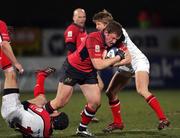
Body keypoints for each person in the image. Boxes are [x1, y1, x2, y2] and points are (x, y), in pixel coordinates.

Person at [44, 21, 129, 137]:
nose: (114, 42)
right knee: (60, 102)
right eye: (113, 38)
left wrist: (119, 57)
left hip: (88, 72)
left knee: (95, 102)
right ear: (106, 32)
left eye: (116, 39)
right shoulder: (93, 38)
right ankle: (38, 115)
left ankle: (81, 129)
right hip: (72, 68)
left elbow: (128, 57)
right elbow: (98, 65)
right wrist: (118, 57)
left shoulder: (114, 40)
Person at [92, 10, 170, 133]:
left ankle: (163, 118)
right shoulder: (105, 36)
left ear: (106, 24)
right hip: (126, 65)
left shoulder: (118, 33)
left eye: (98, 24)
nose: (96, 27)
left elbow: (125, 56)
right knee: (110, 92)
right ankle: (118, 123)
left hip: (138, 61)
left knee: (142, 90)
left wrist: (111, 63)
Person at [1, 67, 69, 137]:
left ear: (56, 118)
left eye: (57, 113)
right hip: (12, 122)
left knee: (10, 74)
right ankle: (41, 75)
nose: (55, 111)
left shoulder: (45, 116)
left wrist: (40, 106)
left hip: (12, 110)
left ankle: (3, 56)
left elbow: (26, 105)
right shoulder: (47, 134)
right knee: (41, 101)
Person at [64, 8, 102, 122]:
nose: (82, 19)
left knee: (100, 85)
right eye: (79, 17)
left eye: (84, 17)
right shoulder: (72, 29)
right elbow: (70, 46)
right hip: (74, 66)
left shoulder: (82, 29)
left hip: (84, 65)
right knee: (64, 98)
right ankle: (49, 111)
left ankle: (87, 111)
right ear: (74, 18)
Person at [0, 20, 24, 91]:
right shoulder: (1, 24)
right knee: (11, 75)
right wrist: (16, 63)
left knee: (10, 74)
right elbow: (4, 44)